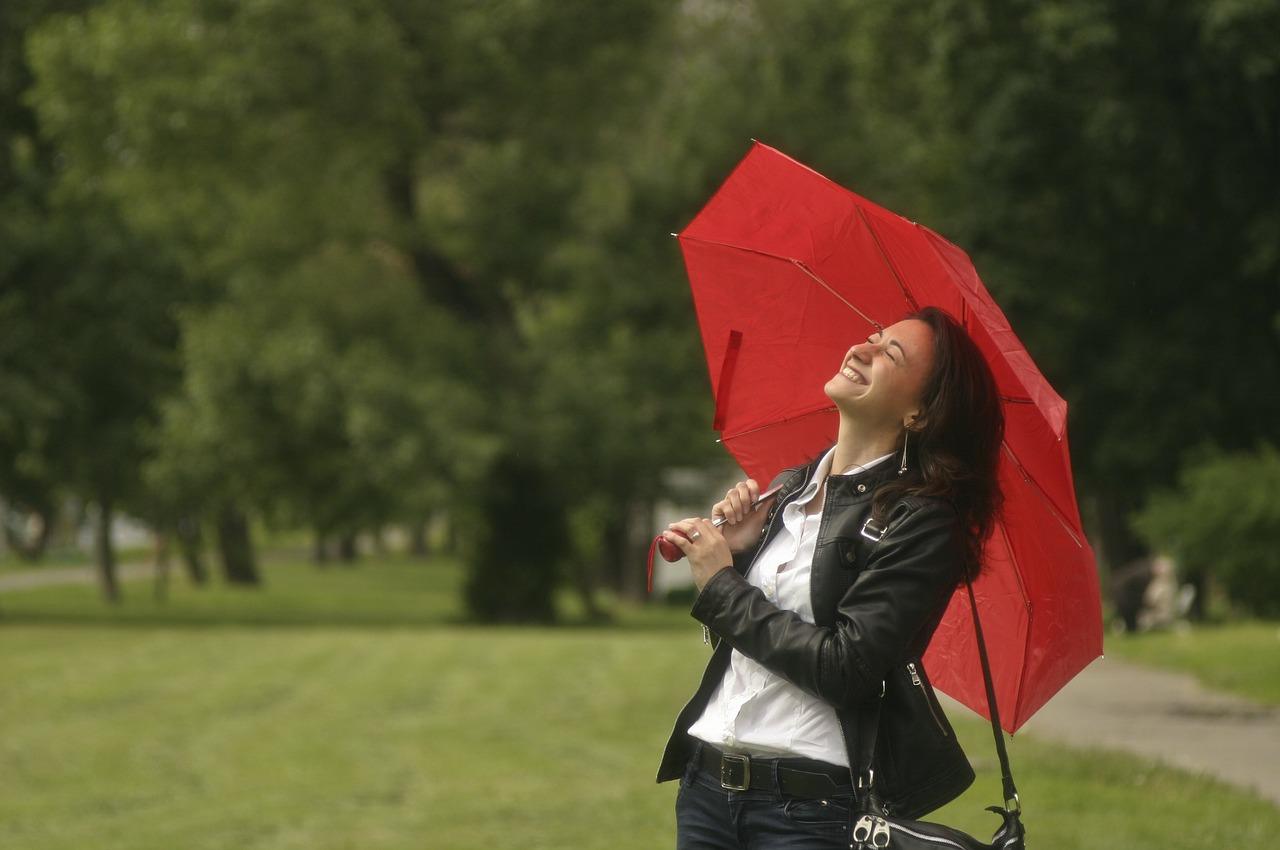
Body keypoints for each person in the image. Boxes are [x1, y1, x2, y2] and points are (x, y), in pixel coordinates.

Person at [656, 306, 1005, 849]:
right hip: (706, 788)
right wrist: (742, 554)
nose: (862, 349)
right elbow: (760, 640)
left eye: (890, 354)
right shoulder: (789, 492)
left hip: (805, 810)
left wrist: (723, 585)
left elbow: (846, 667)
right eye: (873, 336)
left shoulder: (922, 521)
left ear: (919, 412)